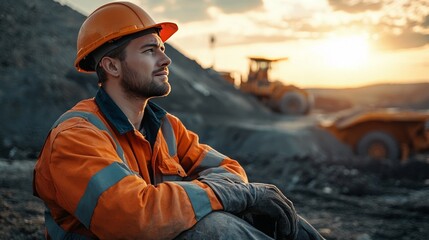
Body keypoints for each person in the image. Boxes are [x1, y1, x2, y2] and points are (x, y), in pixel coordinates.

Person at [33, 2, 325, 239]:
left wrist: (227, 197)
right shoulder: (76, 136)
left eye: (162, 49)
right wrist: (222, 195)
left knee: (277, 219)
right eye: (150, 50)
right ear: (111, 66)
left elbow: (229, 170)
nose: (165, 60)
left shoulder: (165, 127)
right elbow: (134, 218)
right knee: (215, 228)